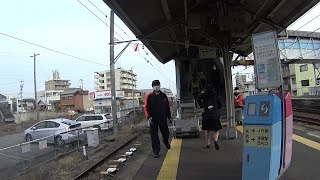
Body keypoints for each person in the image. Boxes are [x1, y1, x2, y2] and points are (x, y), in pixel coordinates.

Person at [144, 80, 172, 158]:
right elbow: (146, 107)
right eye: (155, 85)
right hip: (153, 119)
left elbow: (167, 107)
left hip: (163, 118)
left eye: (158, 85)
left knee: (166, 133)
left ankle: (165, 141)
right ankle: (156, 151)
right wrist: (148, 117)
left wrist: (169, 117)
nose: (157, 86)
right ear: (152, 87)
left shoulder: (164, 95)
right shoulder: (149, 96)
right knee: (154, 136)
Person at [198, 83, 222, 150]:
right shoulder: (216, 94)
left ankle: (208, 143)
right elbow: (220, 104)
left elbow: (198, 98)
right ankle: (215, 140)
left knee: (207, 130)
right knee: (216, 130)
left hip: (206, 114)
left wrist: (202, 105)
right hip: (215, 115)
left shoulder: (204, 94)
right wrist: (216, 108)